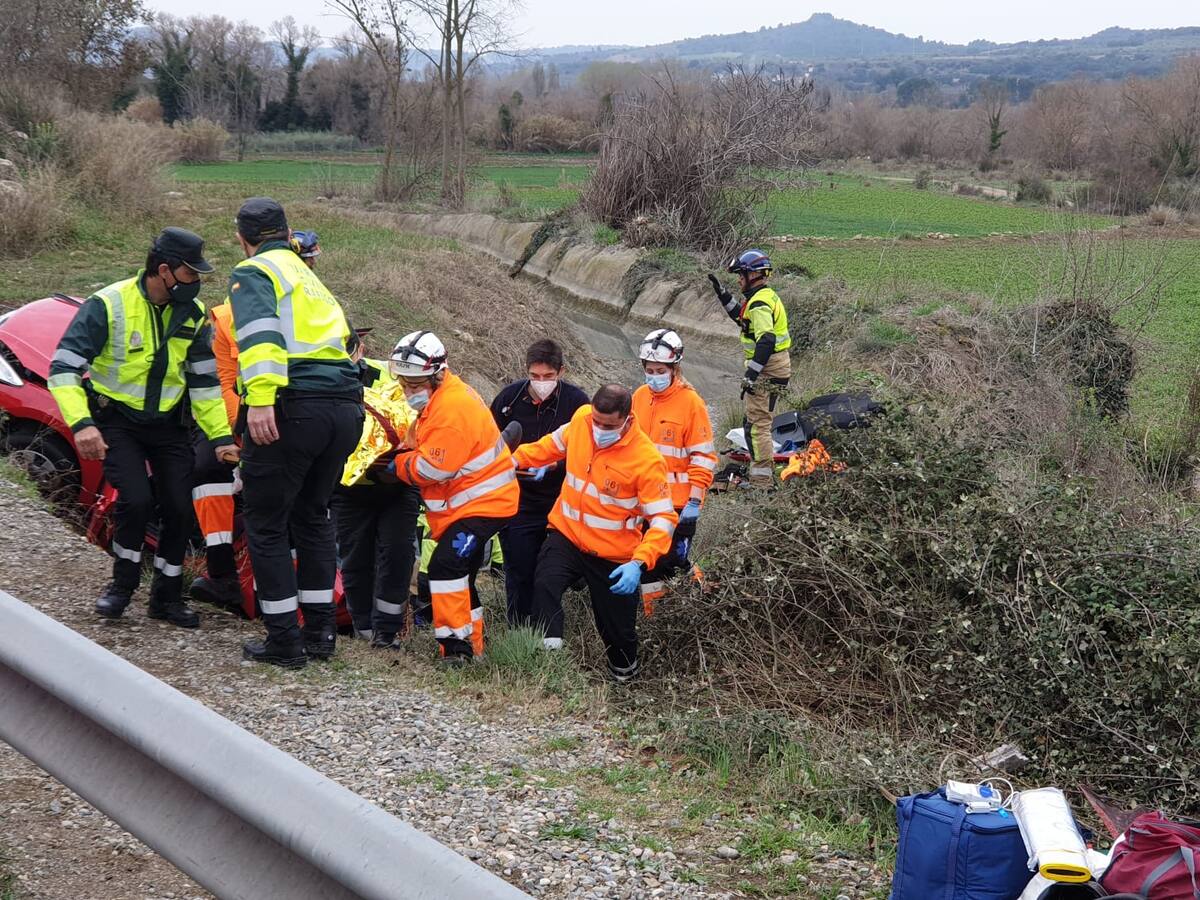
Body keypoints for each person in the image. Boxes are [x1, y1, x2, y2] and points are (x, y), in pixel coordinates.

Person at [48, 228, 236, 626]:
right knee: (134, 501)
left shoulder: (195, 314)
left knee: (180, 509)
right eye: (189, 274)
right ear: (163, 270)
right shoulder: (109, 304)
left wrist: (220, 438)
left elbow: (204, 384)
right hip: (118, 423)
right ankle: (121, 586)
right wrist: (82, 424)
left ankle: (166, 598)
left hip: (169, 426)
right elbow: (62, 368)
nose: (196, 282)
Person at [230, 197, 364, 668]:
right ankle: (321, 634)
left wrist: (261, 399)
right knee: (313, 517)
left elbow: (261, 335)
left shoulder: (254, 272)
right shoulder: (309, 277)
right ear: (288, 233)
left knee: (266, 523)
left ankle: (284, 639)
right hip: (343, 409)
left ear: (242, 238)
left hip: (293, 405)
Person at [514, 384, 678, 683]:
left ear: (627, 420)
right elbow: (549, 446)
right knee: (545, 584)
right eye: (596, 421)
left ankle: (624, 678)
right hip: (567, 535)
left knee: (618, 631)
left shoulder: (646, 459)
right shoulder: (581, 420)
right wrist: (515, 459)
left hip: (615, 556)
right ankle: (547, 667)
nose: (599, 429)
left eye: (609, 425)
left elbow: (663, 519)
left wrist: (639, 563)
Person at [388, 331, 519, 663]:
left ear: (436, 375)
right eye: (404, 383)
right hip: (474, 504)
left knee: (447, 568)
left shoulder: (451, 408)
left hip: (484, 505)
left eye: (414, 384)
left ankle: (456, 651)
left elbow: (433, 469)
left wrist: (399, 465)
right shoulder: (442, 399)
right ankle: (473, 649)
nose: (408, 390)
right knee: (463, 576)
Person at [490, 339, 589, 628]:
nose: (541, 383)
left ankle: (551, 628)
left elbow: (588, 450)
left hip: (560, 502)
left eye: (548, 377)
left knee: (551, 572)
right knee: (519, 568)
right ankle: (520, 629)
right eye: (535, 377)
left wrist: (555, 465)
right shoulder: (509, 401)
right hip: (518, 501)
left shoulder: (578, 404)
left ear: (561, 372)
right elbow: (490, 445)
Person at [332, 333, 420, 647]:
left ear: (360, 350)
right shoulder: (320, 380)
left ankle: (387, 632)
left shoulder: (387, 373)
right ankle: (363, 628)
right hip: (349, 487)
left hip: (396, 483)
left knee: (397, 555)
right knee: (355, 558)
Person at [630, 329, 717, 616]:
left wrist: (694, 503)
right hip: (643, 500)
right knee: (649, 562)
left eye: (660, 370)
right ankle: (655, 615)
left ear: (674, 369)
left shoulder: (691, 404)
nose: (653, 375)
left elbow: (703, 457)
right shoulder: (640, 397)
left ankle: (697, 600)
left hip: (678, 502)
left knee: (670, 561)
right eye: (649, 369)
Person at [707, 249, 792, 486]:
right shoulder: (761, 298)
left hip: (768, 369)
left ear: (752, 275)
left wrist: (751, 375)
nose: (738, 279)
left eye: (740, 275)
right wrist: (723, 296)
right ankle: (761, 474)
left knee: (757, 426)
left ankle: (761, 483)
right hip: (776, 367)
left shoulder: (760, 304)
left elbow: (766, 340)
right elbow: (742, 319)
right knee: (754, 422)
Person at [188, 296, 243, 611]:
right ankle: (222, 573)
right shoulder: (222, 322)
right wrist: (237, 433)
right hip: (231, 422)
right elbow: (220, 384)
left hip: (281, 424)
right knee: (206, 469)